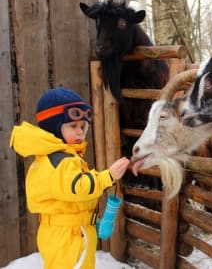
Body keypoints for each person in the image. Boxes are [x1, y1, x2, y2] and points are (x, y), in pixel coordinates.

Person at [9, 87, 130, 269]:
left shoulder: (50, 157)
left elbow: (67, 201)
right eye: (73, 126)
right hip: (68, 238)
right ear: (55, 128)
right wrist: (109, 176)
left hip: (65, 233)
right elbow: (79, 189)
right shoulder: (61, 160)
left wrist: (90, 220)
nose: (80, 132)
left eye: (82, 126)